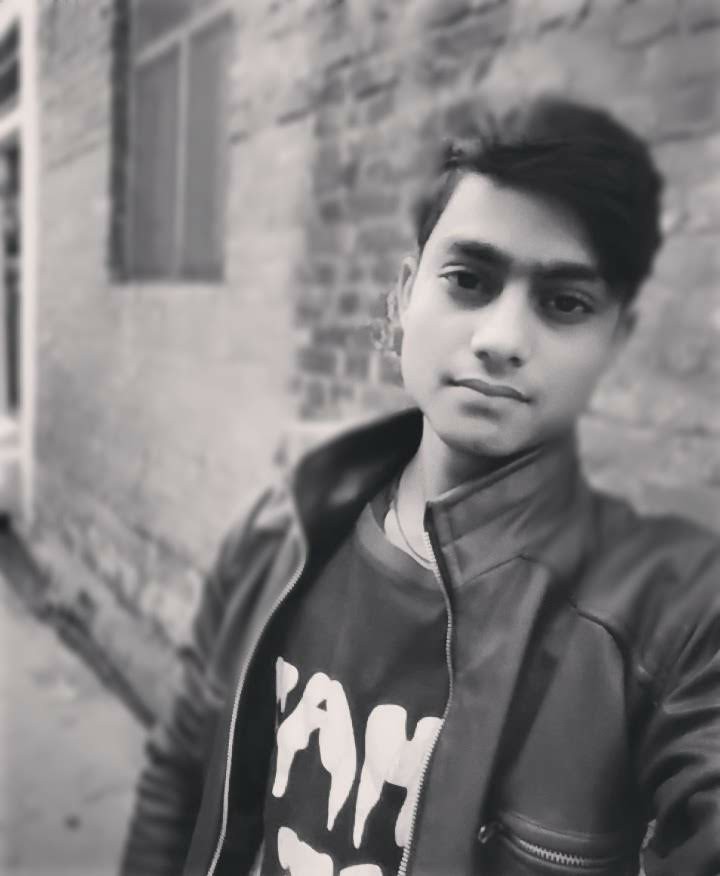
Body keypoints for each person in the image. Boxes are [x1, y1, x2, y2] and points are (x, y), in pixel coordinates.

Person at [120, 95, 720, 876]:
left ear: (615, 339)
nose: (501, 339)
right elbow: (179, 773)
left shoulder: (669, 615)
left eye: (564, 303)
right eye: (469, 279)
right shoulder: (283, 529)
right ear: (405, 296)